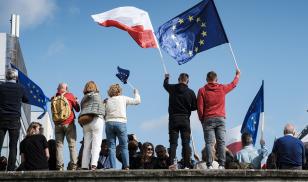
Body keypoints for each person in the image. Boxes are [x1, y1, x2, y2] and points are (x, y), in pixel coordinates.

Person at [197, 69, 240, 169]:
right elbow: (233, 84)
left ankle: (209, 164)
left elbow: (200, 107)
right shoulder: (222, 88)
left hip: (208, 119)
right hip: (220, 119)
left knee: (209, 143)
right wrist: (237, 75)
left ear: (207, 79)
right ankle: (221, 164)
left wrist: (202, 120)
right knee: (221, 142)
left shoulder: (202, 90)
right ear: (217, 79)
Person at [163, 73, 197, 168]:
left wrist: (166, 78)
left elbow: (165, 85)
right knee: (186, 143)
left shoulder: (172, 88)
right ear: (188, 81)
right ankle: (187, 164)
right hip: (185, 119)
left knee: (173, 143)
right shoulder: (191, 92)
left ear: (178, 79)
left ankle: (172, 164)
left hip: (173, 119)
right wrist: (187, 109)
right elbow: (195, 107)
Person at [105, 84, 141, 170]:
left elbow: (104, 114)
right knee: (124, 146)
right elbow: (137, 101)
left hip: (109, 123)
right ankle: (126, 166)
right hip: (121, 122)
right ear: (119, 91)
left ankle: (113, 167)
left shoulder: (107, 101)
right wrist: (136, 93)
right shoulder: (123, 98)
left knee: (111, 147)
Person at [0, 68, 29, 171]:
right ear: (16, 77)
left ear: (7, 76)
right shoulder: (20, 88)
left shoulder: (1, 86)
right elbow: (26, 99)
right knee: (13, 146)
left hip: (1, 118)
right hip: (14, 119)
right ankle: (11, 168)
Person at [53, 83, 80, 170]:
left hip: (57, 124)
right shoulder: (70, 95)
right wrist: (76, 101)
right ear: (65, 89)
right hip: (69, 123)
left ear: (59, 89)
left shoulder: (54, 97)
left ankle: (60, 166)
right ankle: (73, 165)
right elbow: (77, 109)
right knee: (72, 145)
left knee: (59, 146)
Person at [79, 81, 105, 170]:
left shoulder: (83, 99)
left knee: (86, 145)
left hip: (85, 121)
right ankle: (94, 164)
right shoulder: (96, 95)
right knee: (96, 144)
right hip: (96, 119)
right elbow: (100, 109)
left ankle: (84, 165)